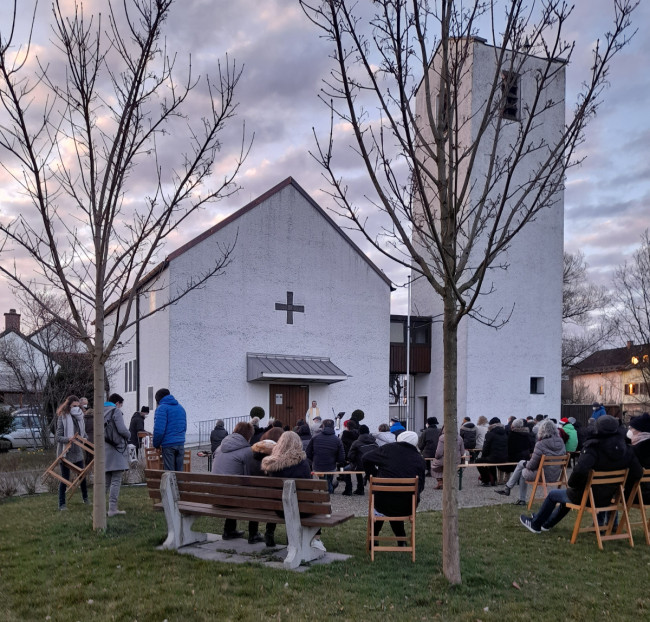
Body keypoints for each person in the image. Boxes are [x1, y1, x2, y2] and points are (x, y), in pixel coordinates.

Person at [519, 415, 642, 534]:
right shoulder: (625, 448)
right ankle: (546, 523)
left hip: (589, 496)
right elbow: (637, 473)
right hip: (611, 496)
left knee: (553, 494)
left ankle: (535, 524)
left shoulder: (593, 447)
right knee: (566, 496)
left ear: (597, 428)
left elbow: (579, 472)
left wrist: (573, 485)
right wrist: (620, 484)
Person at [362, 430, 426, 544]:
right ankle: (401, 539)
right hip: (407, 506)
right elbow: (420, 486)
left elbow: (365, 458)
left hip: (382, 502)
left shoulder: (388, 449)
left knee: (384, 502)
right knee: (397, 498)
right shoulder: (419, 458)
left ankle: (373, 538)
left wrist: (373, 474)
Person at [211, 421, 264, 543]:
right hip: (232, 497)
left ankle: (229, 530)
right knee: (254, 492)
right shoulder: (247, 451)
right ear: (248, 435)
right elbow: (250, 476)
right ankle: (253, 533)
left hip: (215, 496)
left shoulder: (219, 448)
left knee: (231, 489)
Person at [261, 431, 314, 547]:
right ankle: (291, 541)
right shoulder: (302, 463)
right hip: (300, 509)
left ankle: (269, 533)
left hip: (276, 509)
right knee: (292, 500)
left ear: (280, 443)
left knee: (279, 497)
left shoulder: (270, 463)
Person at [496, 418, 566, 505]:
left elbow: (531, 466)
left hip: (543, 475)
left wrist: (525, 463)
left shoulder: (541, 444)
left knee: (522, 468)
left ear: (541, 430)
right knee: (522, 464)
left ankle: (516, 495)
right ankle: (509, 488)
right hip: (556, 475)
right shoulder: (561, 442)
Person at [55, 395, 89, 510]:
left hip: (77, 450)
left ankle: (86, 499)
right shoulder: (63, 417)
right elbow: (58, 437)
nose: (76, 408)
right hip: (66, 451)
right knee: (65, 478)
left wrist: (84, 438)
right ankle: (62, 504)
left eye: (77, 406)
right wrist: (68, 439)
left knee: (82, 476)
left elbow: (82, 433)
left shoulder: (79, 417)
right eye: (74, 406)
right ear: (68, 405)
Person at [104, 393, 130, 516]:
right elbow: (122, 429)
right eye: (121, 405)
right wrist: (128, 435)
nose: (120, 407)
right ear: (117, 403)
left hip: (104, 449)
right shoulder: (115, 411)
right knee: (116, 480)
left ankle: (98, 508)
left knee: (106, 481)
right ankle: (112, 509)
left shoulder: (100, 411)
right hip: (116, 449)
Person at [306, 419, 345, 493]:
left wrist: (314, 459)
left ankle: (325, 487)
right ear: (333, 426)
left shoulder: (315, 437)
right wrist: (336, 461)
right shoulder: (337, 440)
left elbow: (308, 453)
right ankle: (329, 487)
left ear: (323, 426)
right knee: (329, 477)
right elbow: (341, 457)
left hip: (317, 465)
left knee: (323, 478)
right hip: (331, 466)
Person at [153, 388, 187, 471]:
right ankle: (180, 484)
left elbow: (159, 430)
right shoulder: (180, 408)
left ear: (158, 399)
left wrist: (156, 444)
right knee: (180, 473)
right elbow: (184, 427)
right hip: (180, 443)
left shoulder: (162, 408)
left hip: (168, 445)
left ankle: (172, 484)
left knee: (170, 474)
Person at [346, 424, 378, 495]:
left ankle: (350, 489)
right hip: (372, 465)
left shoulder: (356, 442)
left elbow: (350, 455)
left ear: (359, 432)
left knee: (346, 470)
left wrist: (352, 461)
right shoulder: (375, 442)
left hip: (359, 465)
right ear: (368, 431)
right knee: (369, 469)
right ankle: (374, 489)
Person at [477, 417, 508, 486]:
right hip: (504, 458)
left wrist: (483, 456)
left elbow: (485, 448)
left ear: (491, 425)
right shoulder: (505, 433)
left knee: (478, 461)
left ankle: (486, 480)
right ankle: (493, 480)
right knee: (490, 460)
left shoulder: (489, 434)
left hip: (494, 458)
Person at [628, 413, 650, 501]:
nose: (630, 430)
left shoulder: (637, 449)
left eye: (632, 428)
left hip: (639, 493)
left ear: (640, 431)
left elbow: (633, 473)